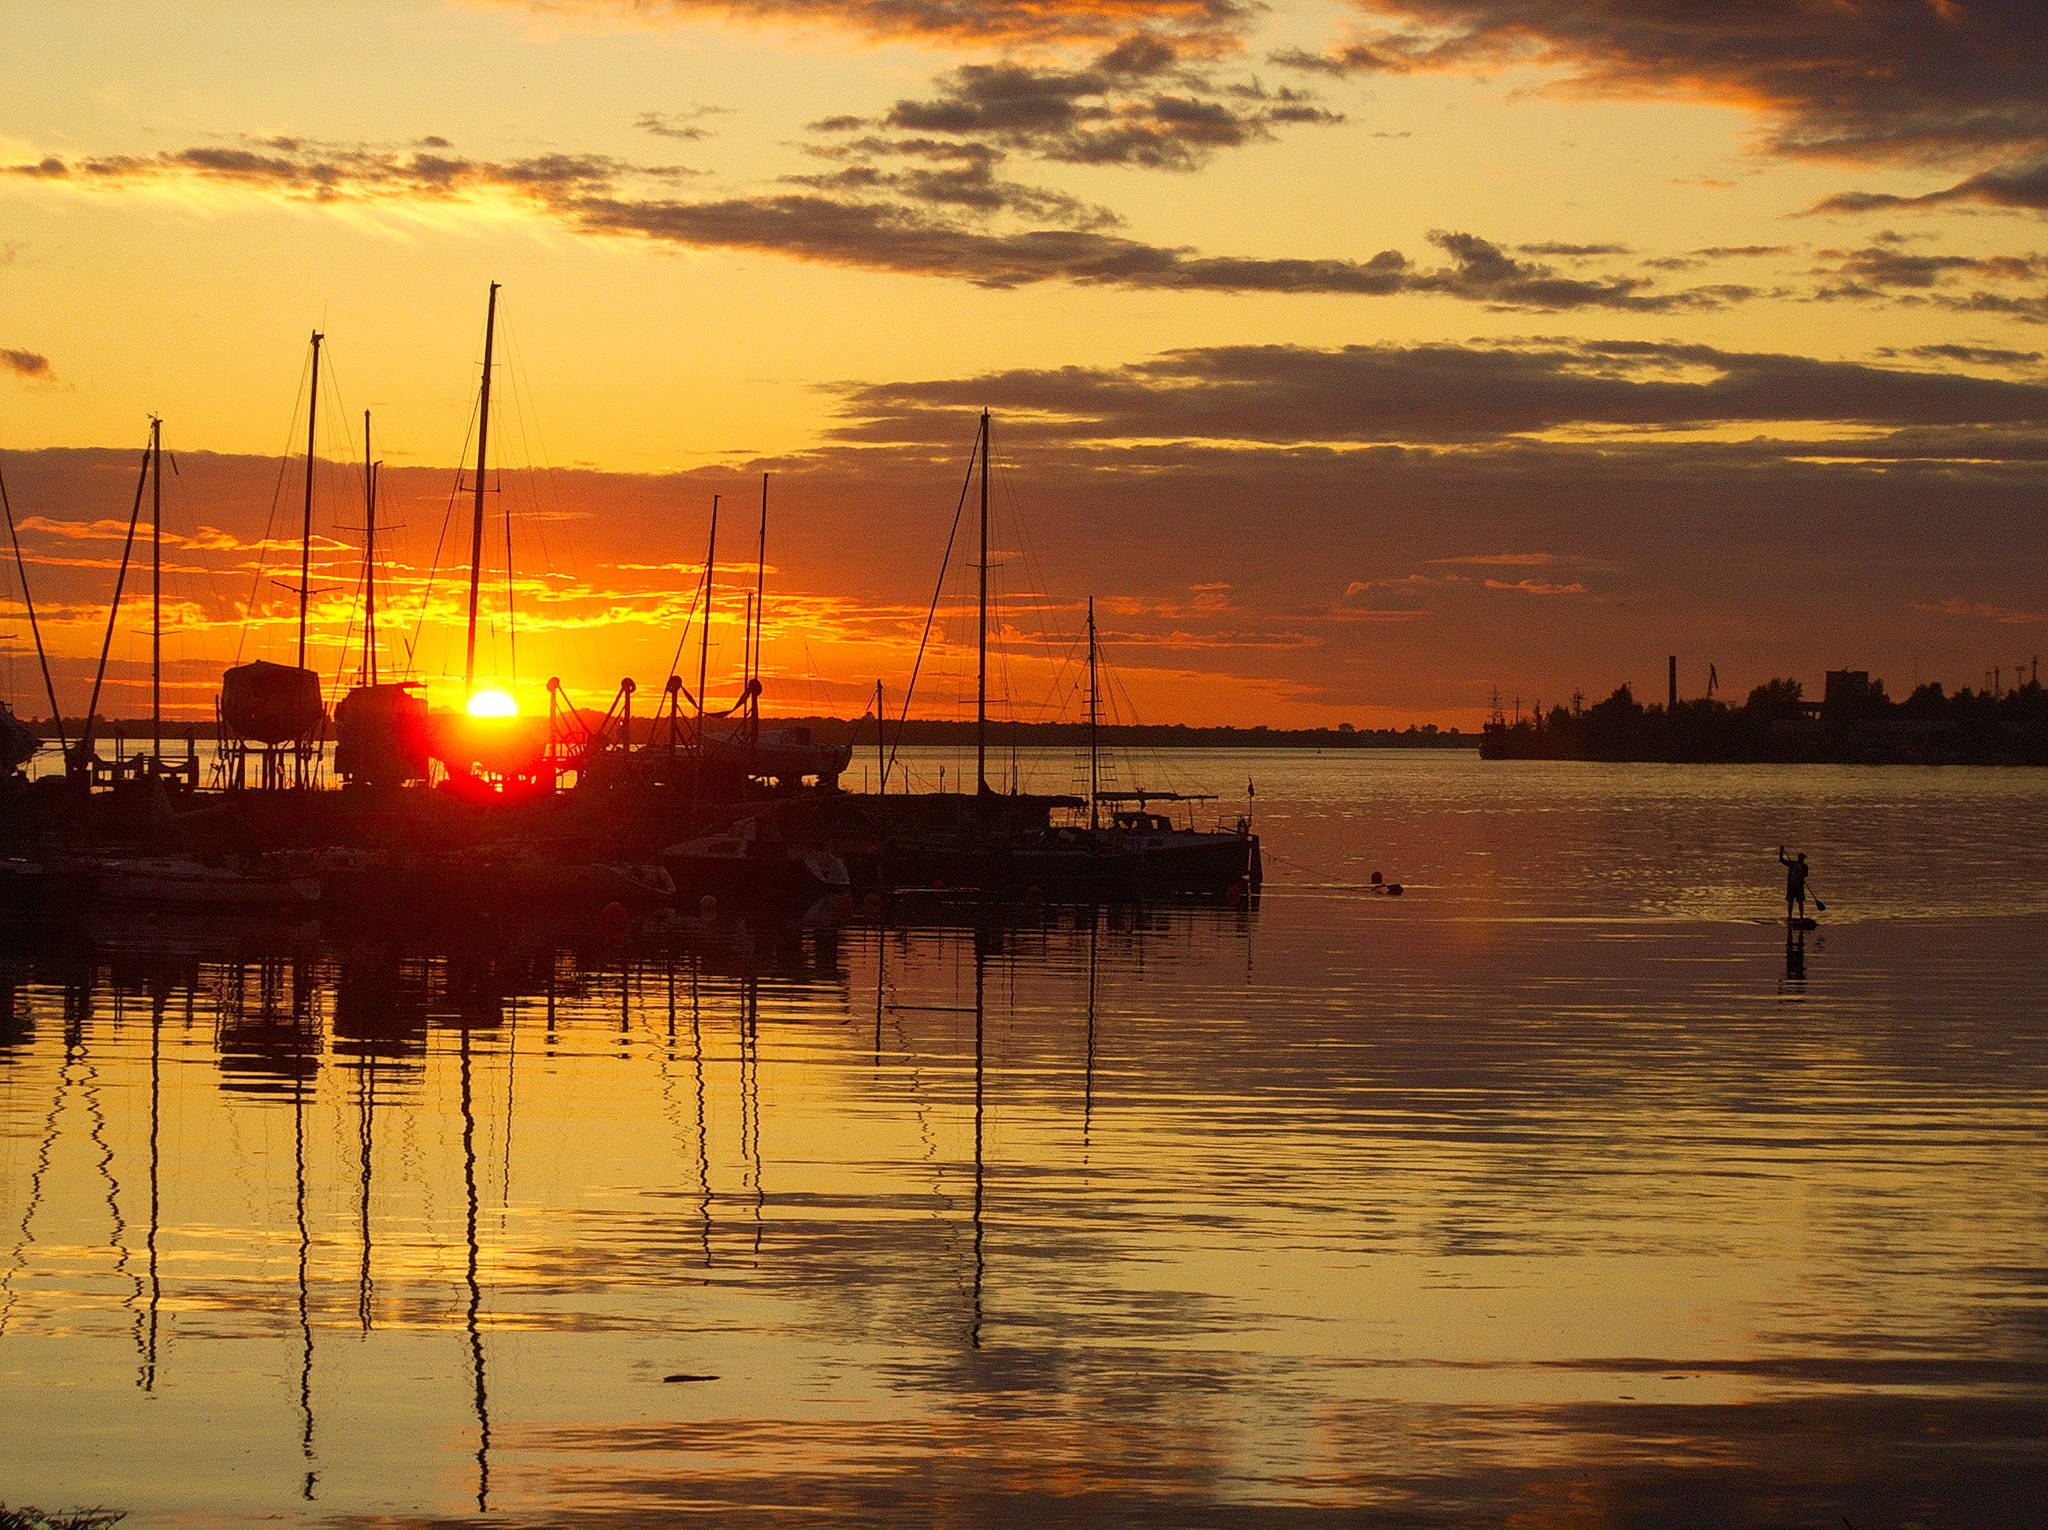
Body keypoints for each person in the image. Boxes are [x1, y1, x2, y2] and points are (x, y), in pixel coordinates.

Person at [1778, 845, 1809, 919]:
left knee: (1800, 902)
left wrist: (1800, 875)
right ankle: (1790, 917)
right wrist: (1781, 851)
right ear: (1799, 858)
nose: (1802, 859)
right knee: (1790, 902)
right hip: (1791, 885)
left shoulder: (1804, 866)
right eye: (1802, 858)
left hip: (1799, 886)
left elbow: (1805, 875)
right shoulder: (1792, 864)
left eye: (1803, 858)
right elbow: (1781, 860)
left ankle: (1801, 917)